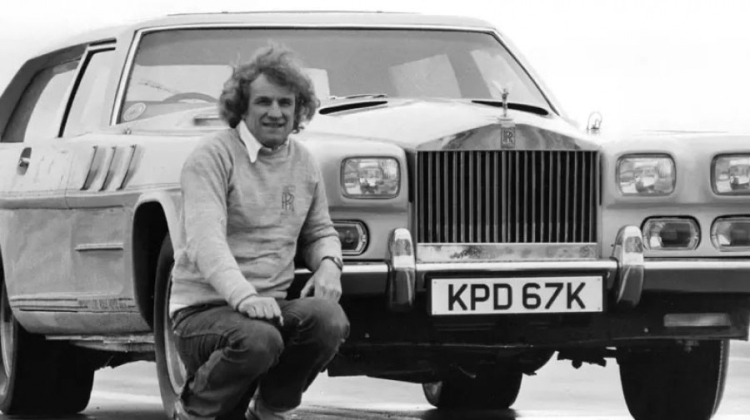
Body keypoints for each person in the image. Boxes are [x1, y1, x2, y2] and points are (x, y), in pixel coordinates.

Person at [168, 45, 350, 420]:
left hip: (268, 308)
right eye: (264, 101)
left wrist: (330, 265)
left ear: (299, 109)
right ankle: (194, 412)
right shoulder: (211, 157)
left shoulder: (304, 162)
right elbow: (205, 242)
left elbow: (319, 231)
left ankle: (271, 410)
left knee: (328, 319)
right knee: (259, 339)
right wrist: (244, 296)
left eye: (286, 103)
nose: (275, 112)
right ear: (242, 107)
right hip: (203, 313)